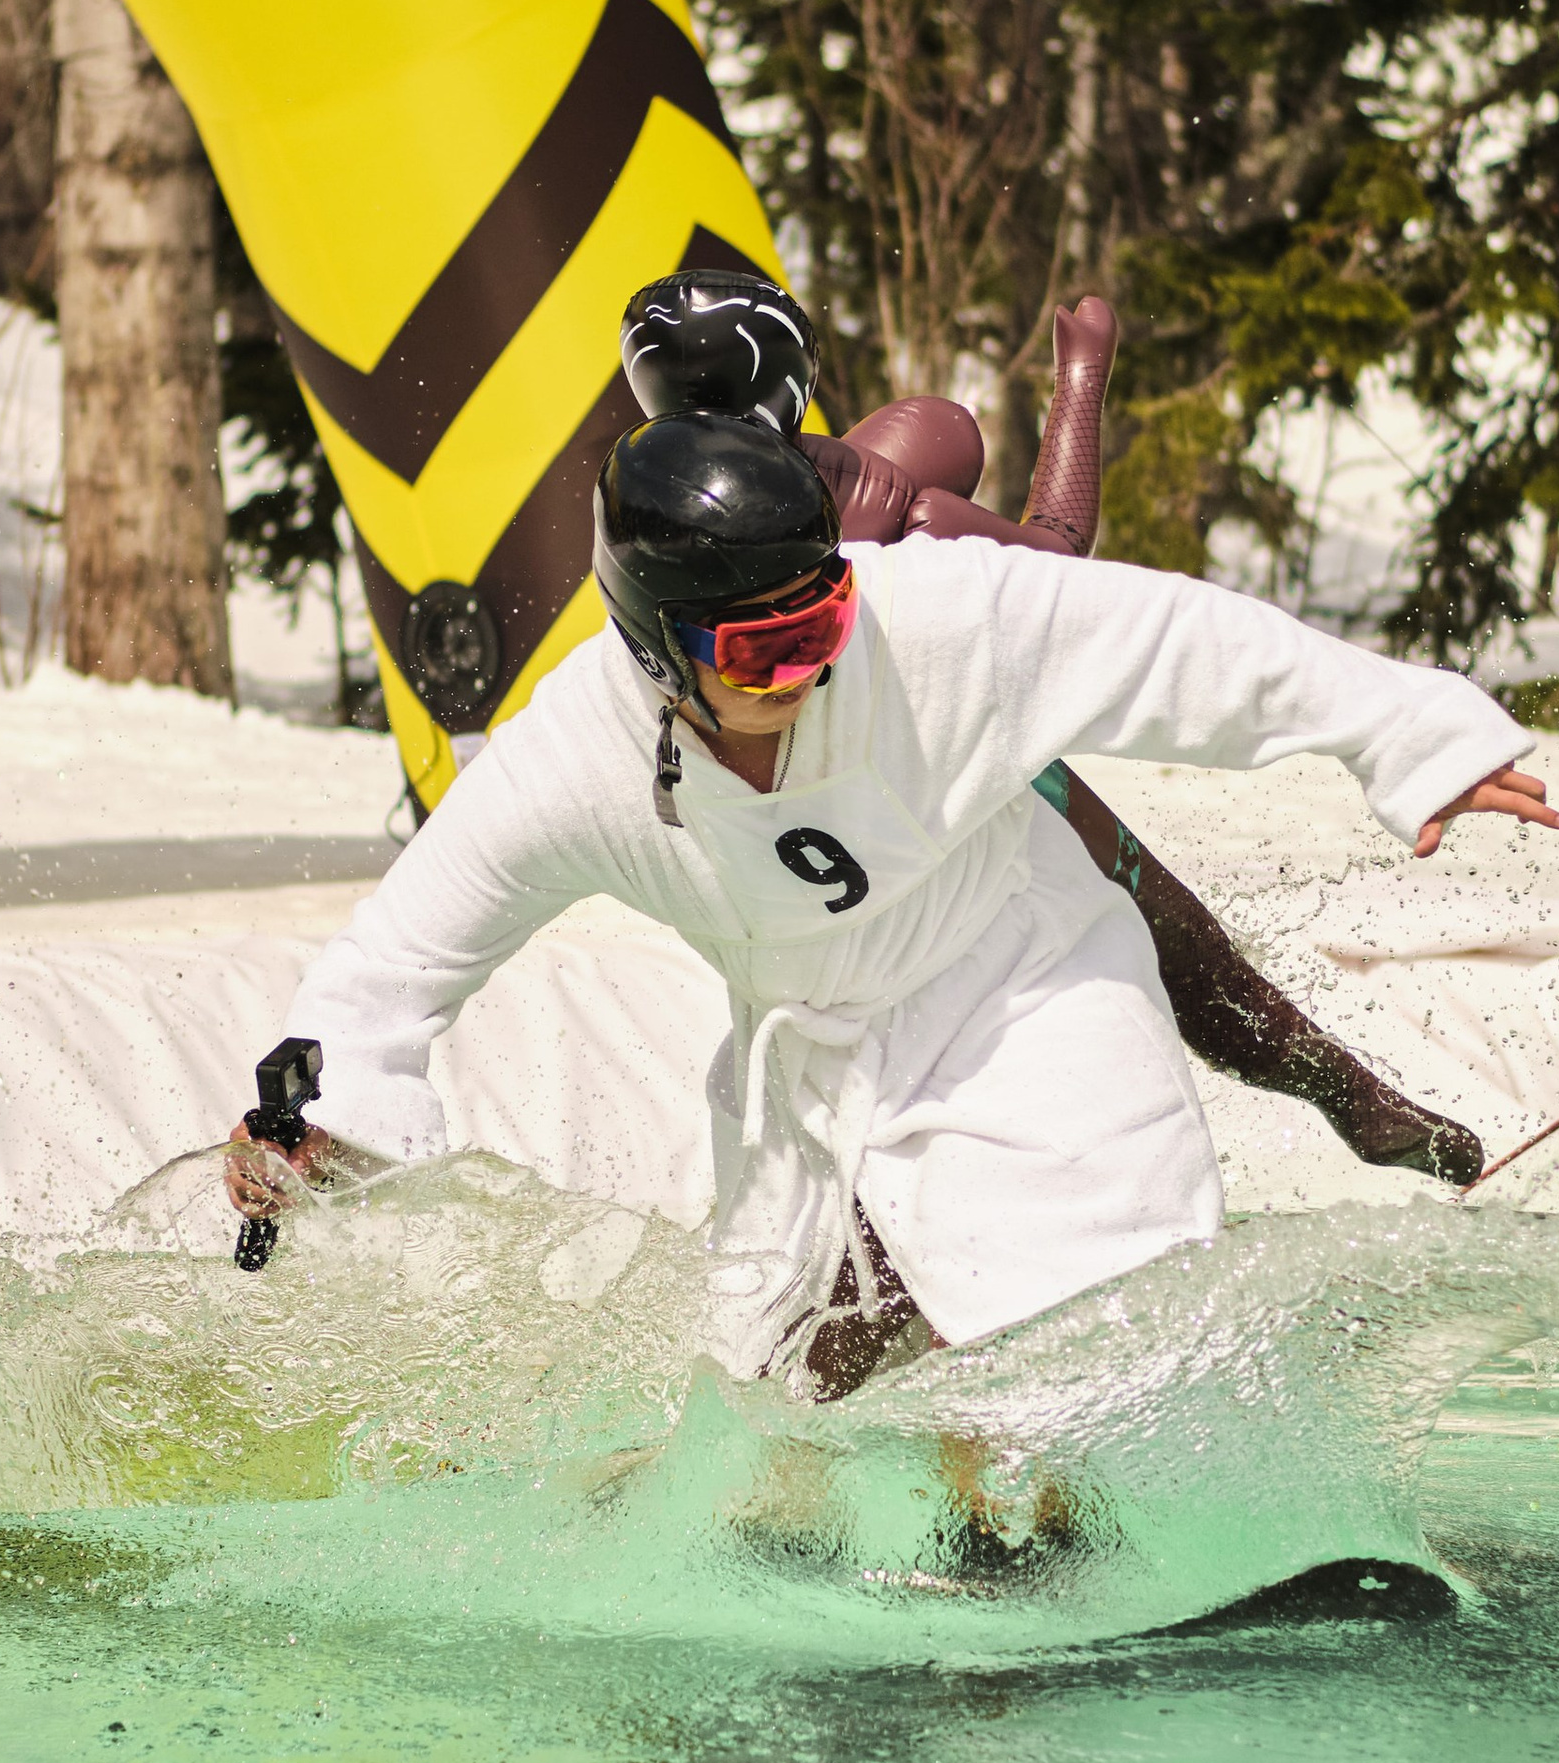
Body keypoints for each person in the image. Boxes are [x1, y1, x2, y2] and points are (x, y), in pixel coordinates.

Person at [232, 415, 1559, 1401]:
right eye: (768, 653)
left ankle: (1073, 1524)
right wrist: (297, 1117)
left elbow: (1197, 646)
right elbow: (389, 969)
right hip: (810, 1060)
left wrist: (1419, 736)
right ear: (655, 648)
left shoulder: (937, 622)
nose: (816, 665)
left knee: (1091, 1329)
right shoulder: (567, 762)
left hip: (1021, 980)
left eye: (824, 621)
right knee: (775, 1405)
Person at [620, 265, 1483, 1181]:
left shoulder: (640, 514)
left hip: (749, 815)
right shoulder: (889, 505)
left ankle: (1344, 1097)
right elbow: (1060, 554)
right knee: (1168, 944)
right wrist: (1081, 383)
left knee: (853, 1061)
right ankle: (1346, 1094)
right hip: (942, 771)